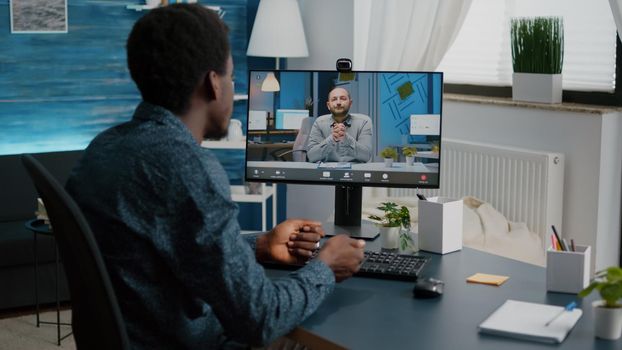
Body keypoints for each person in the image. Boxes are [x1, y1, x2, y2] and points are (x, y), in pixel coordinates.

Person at [65, 4, 365, 349]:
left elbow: (169, 249)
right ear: (212, 83)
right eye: (231, 76)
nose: (232, 84)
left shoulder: (103, 149)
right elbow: (260, 319)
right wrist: (326, 267)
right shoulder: (187, 168)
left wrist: (262, 245)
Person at [306, 87, 373, 163]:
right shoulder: (319, 122)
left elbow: (366, 156)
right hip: (326, 172)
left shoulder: (364, 122)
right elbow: (311, 157)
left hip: (355, 171)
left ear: (350, 103)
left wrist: (346, 139)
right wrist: (331, 139)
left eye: (343, 98)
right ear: (328, 105)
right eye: (334, 99)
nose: (338, 102)